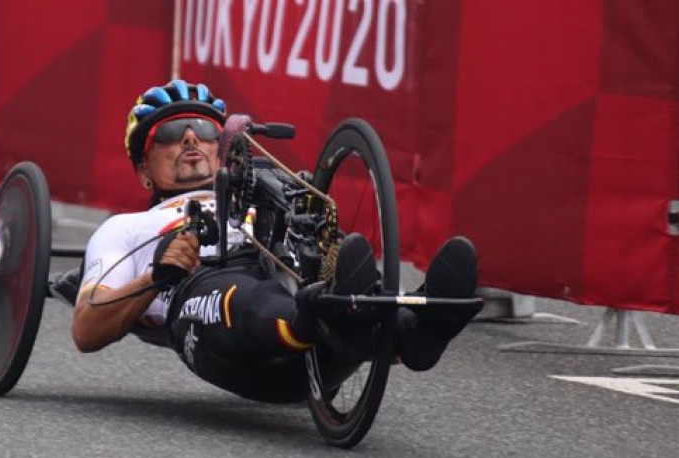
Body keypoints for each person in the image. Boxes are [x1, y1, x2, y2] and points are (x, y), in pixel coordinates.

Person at [51, 79, 479, 402]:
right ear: (143, 171)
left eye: (202, 128)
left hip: (302, 312)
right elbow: (86, 329)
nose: (189, 138)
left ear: (222, 150)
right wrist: (156, 276)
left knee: (326, 262)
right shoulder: (125, 229)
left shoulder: (263, 190)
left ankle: (418, 330)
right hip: (207, 305)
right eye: (168, 132)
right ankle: (324, 316)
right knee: (240, 293)